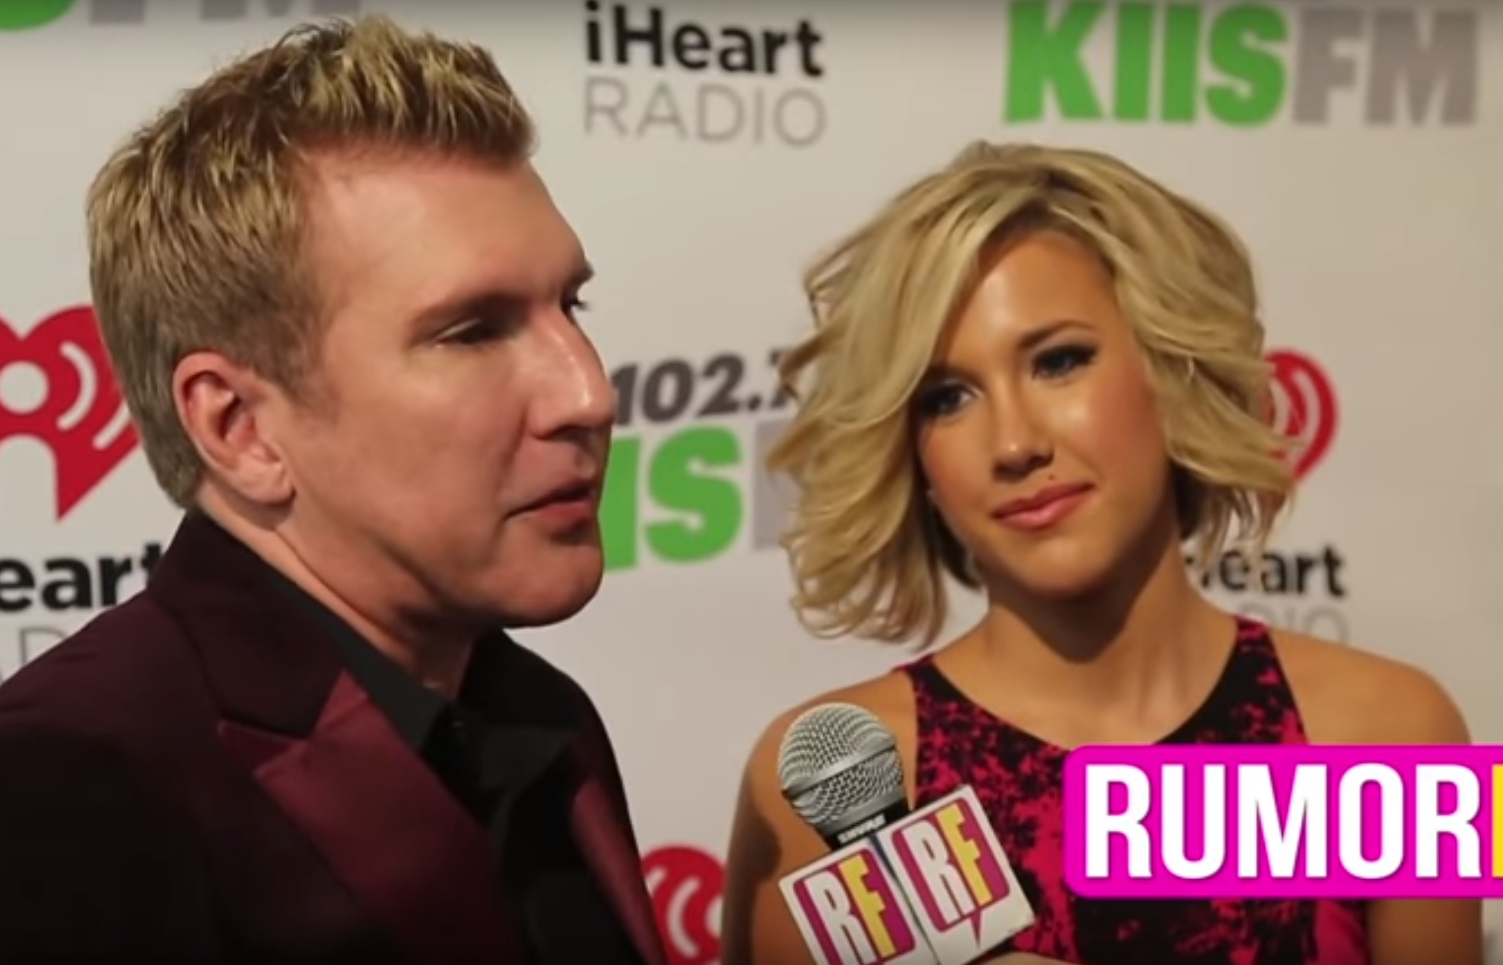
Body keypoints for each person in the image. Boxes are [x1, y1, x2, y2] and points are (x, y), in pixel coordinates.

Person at [0, 16, 665, 965]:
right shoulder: (66, 789)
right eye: (472, 331)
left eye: (571, 305)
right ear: (239, 426)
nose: (588, 394)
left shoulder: (540, 715)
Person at [720, 142, 1479, 965]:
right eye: (947, 397)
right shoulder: (839, 784)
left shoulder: (1393, 735)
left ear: (1171, 367)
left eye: (1059, 361)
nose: (1013, 443)